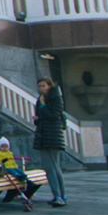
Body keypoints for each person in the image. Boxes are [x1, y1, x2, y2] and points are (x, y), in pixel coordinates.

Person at [31, 76, 69, 207]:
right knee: (51, 167)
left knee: (52, 166)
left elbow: (53, 115)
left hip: (53, 136)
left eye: (44, 86)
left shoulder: (56, 99)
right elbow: (40, 118)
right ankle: (59, 195)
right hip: (43, 136)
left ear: (49, 86)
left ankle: (59, 195)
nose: (41, 88)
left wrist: (43, 106)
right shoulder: (40, 100)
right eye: (40, 86)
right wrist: (36, 119)